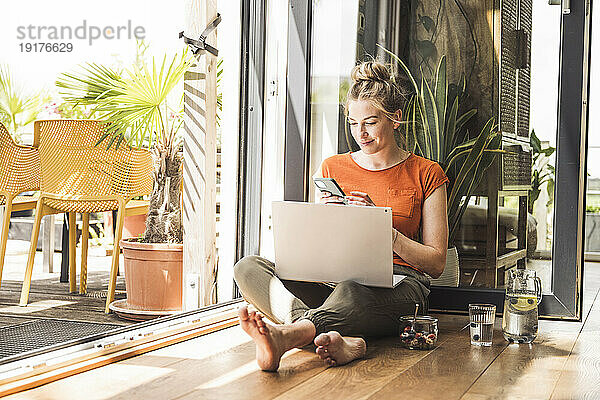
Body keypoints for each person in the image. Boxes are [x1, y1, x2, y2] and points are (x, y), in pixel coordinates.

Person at [233, 61, 449, 371]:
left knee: (351, 291)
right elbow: (311, 248)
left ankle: (288, 336)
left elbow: (436, 263)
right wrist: (323, 220)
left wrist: (382, 230)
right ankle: (343, 339)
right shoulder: (332, 167)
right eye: (353, 122)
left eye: (371, 122)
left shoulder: (426, 173)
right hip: (331, 283)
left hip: (400, 286)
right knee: (248, 267)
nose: (361, 133)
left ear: (395, 119)